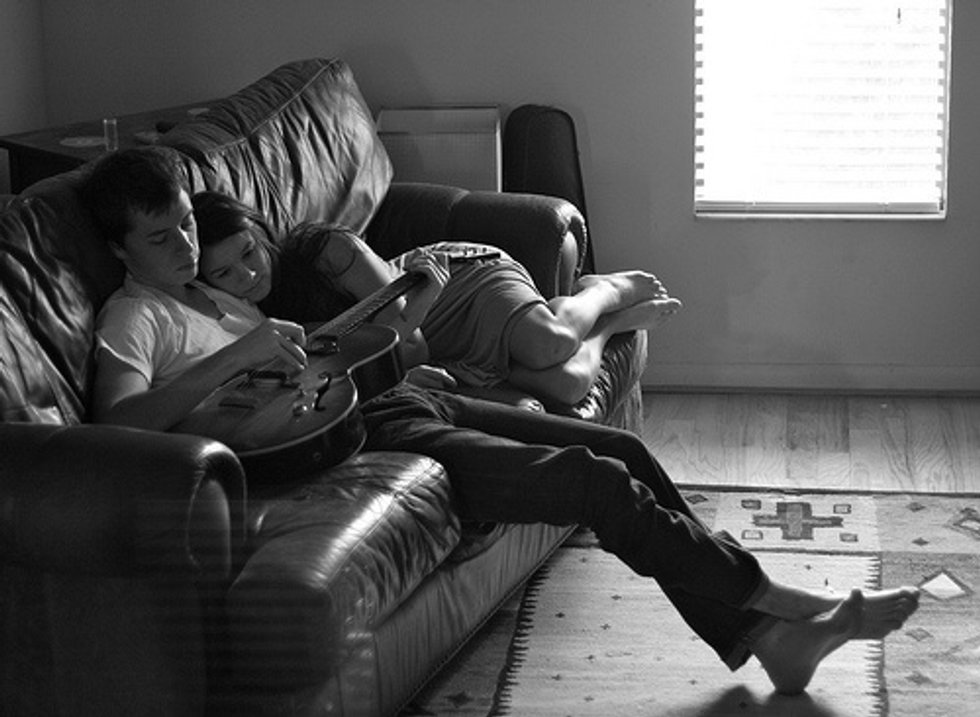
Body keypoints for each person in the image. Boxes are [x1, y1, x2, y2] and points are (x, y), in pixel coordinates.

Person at [86, 147, 920, 697]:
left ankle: (765, 638)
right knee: (592, 483)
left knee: (621, 448)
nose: (186, 247)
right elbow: (119, 423)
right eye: (162, 237)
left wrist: (382, 347)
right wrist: (240, 354)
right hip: (370, 439)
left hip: (402, 399)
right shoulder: (136, 318)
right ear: (121, 251)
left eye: (187, 222)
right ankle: (769, 599)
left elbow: (310, 358)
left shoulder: (214, 291)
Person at [189, 190, 683, 406]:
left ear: (261, 232)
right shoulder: (247, 318)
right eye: (224, 273)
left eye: (249, 252)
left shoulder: (327, 250)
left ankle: (602, 291)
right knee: (569, 385)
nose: (247, 275)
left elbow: (414, 340)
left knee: (550, 343)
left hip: (454, 286)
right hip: (423, 345)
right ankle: (611, 326)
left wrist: (421, 313)